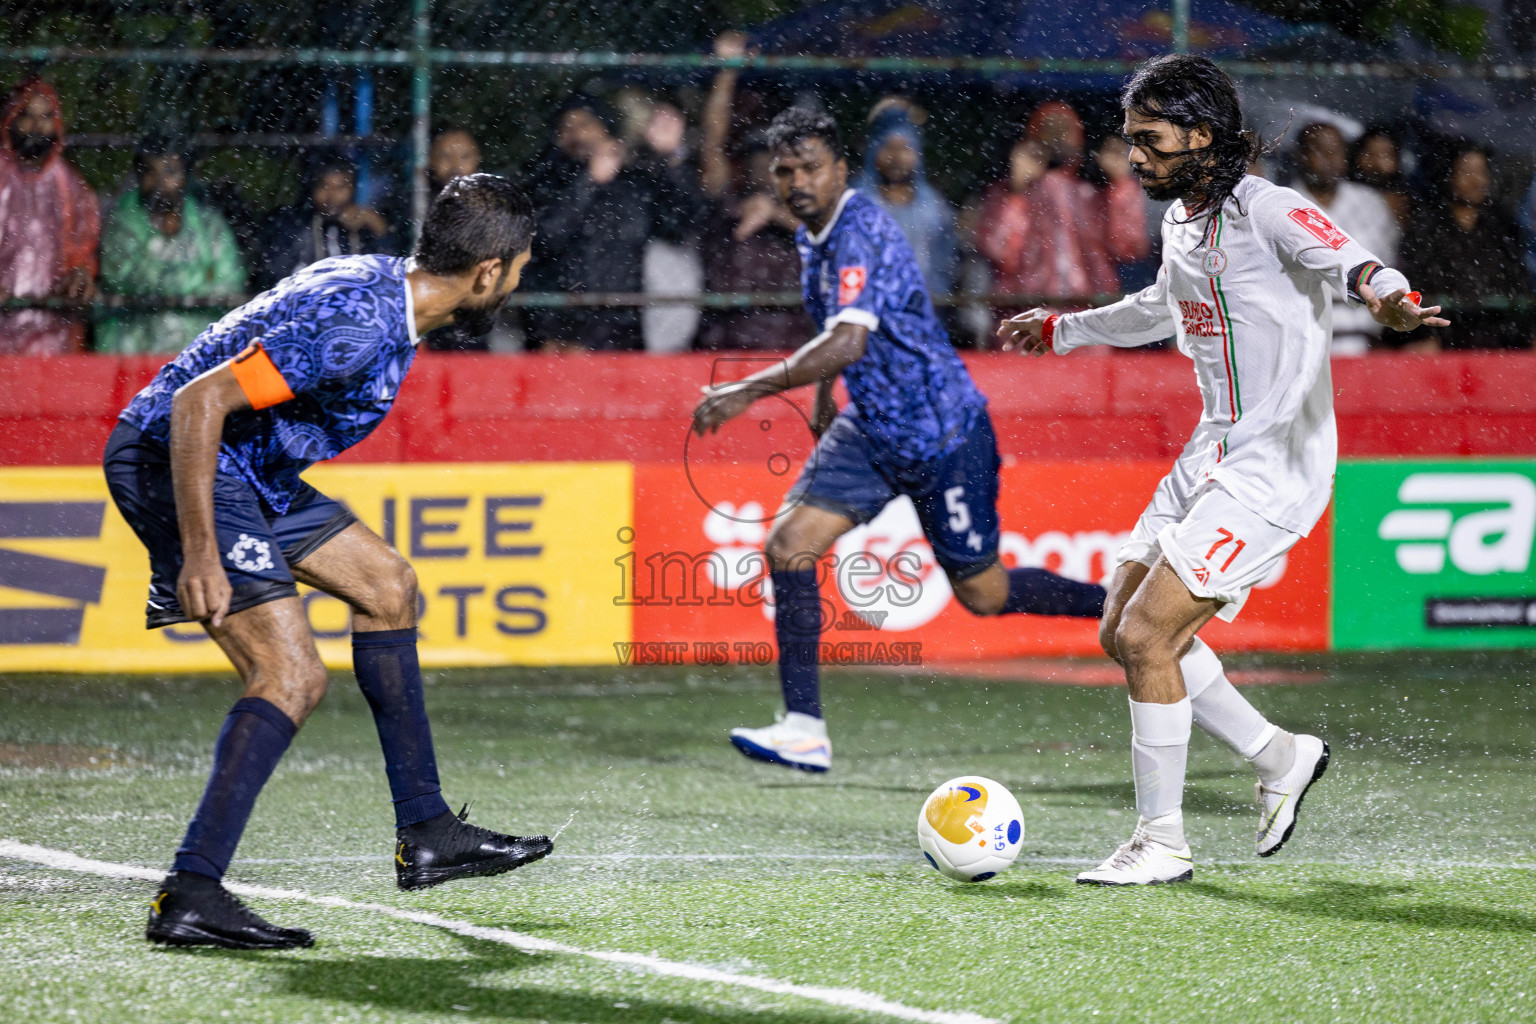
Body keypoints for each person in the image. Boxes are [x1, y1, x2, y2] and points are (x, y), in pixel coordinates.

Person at [998, 55, 1446, 886]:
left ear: (1201, 136)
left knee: (1146, 635)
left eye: (1151, 140)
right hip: (1211, 451)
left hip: (1276, 464)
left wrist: (1388, 298)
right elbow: (1160, 308)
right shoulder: (1182, 223)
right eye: (1131, 141)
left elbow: (1352, 261)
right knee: (1120, 627)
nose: (1136, 158)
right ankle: (1280, 756)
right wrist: (1065, 330)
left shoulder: (1268, 208)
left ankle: (1162, 841)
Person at [104, 175, 552, 950]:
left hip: (250, 468)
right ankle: (191, 892)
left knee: (388, 587)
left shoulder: (385, 288)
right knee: (290, 677)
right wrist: (200, 551)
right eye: (519, 267)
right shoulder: (361, 324)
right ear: (488, 272)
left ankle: (428, 832)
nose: (519, 281)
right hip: (181, 460)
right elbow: (196, 404)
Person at [691, 107, 1107, 773]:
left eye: (810, 168)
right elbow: (837, 331)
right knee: (789, 545)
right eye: (785, 171)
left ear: (837, 169)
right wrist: (830, 402)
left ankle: (1122, 607)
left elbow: (849, 338)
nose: (797, 181)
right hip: (871, 428)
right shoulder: (811, 236)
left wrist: (745, 390)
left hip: (943, 430)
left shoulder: (860, 230)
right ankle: (803, 728)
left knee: (984, 595)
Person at [523, 95, 696, 351]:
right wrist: (588, 181)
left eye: (585, 123)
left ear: (606, 130)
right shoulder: (546, 182)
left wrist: (673, 158)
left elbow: (683, 224)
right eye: (566, 127)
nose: (576, 133)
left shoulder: (636, 184)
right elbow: (545, 238)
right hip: (557, 333)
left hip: (620, 331)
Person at [697, 31, 812, 350]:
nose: (765, 167)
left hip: (792, 343)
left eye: (774, 159)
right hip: (729, 341)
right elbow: (712, 143)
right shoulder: (727, 199)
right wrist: (726, 74)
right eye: (757, 157)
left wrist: (774, 214)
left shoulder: (805, 204)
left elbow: (832, 239)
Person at [96, 136, 247, 354]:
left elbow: (230, 284)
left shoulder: (209, 226)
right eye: (151, 172)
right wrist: (197, 282)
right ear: (139, 178)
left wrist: (166, 284)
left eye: (170, 172)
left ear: (185, 177)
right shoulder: (123, 222)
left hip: (199, 354)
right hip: (133, 354)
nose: (160, 183)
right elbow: (125, 278)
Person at [975, 103, 1128, 309]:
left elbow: (1128, 247)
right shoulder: (1009, 192)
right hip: (1026, 314)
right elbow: (996, 250)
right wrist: (1016, 193)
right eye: (1048, 129)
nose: (1057, 138)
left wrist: (1121, 186)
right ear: (1032, 138)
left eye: (1064, 130)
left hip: (1087, 317)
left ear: (1078, 137)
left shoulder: (1092, 194)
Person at [0, 76, 100, 354]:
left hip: (55, 336)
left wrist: (80, 277)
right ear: (10, 119)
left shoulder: (72, 187)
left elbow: (84, 253)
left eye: (45, 116)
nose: (36, 126)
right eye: (27, 116)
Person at [1402, 141, 1532, 350]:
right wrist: (1425, 335)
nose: (1477, 181)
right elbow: (1413, 287)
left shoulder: (1502, 227)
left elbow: (1519, 287)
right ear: (1448, 176)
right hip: (1440, 340)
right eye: (1467, 172)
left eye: (1482, 172)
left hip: (1500, 340)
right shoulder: (1425, 228)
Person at [1290, 122, 1401, 355]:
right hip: (1300, 342)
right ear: (1302, 155)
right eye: (1320, 150)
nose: (1330, 159)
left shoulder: (1370, 203)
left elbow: (1387, 270)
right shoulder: (1284, 204)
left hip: (1365, 341)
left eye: (1336, 151)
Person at [852, 98, 958, 297]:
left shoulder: (933, 208)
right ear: (874, 151)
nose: (896, 157)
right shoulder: (857, 202)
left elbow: (945, 265)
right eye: (888, 147)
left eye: (905, 148)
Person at [257, 155, 393, 290]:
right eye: (324, 186)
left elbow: (389, 276)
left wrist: (380, 230)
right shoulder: (295, 226)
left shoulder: (363, 227)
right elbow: (277, 276)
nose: (331, 195)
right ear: (313, 188)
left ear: (353, 189)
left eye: (340, 187)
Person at [429, 127, 481, 193]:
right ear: (432, 159)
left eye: (465, 156)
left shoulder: (492, 197)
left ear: (477, 158)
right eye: (445, 156)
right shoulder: (417, 200)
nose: (455, 164)